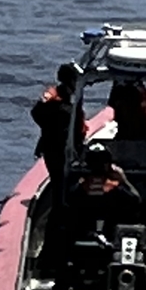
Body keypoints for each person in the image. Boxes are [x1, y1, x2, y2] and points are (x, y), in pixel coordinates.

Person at [31, 63, 85, 206]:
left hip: (70, 144)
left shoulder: (72, 98)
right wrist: (53, 128)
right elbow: (36, 113)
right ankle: (59, 209)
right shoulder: (54, 98)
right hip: (55, 145)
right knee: (58, 180)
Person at [68, 142, 142, 239]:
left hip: (83, 236)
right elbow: (136, 200)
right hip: (109, 237)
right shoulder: (115, 187)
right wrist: (123, 180)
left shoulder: (80, 188)